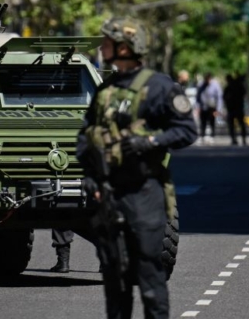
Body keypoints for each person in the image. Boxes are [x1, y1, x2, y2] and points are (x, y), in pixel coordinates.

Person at [77, 17, 197, 319]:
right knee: (114, 281)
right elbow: (85, 136)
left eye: (107, 42)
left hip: (144, 194)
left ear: (125, 47)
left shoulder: (159, 87)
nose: (101, 48)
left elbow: (186, 130)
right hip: (109, 195)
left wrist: (152, 141)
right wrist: (89, 177)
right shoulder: (105, 90)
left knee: (149, 278)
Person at [196, 72, 222, 142]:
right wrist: (197, 107)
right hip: (203, 106)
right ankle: (202, 136)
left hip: (212, 107)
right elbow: (197, 97)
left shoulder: (215, 85)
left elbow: (219, 97)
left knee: (212, 122)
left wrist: (218, 109)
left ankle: (212, 135)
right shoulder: (200, 85)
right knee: (203, 122)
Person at [223, 74, 247, 146]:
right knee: (234, 125)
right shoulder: (230, 88)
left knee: (239, 124)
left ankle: (241, 139)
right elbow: (224, 97)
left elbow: (244, 93)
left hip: (237, 108)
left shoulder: (237, 87)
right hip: (233, 108)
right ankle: (235, 139)